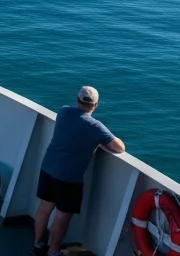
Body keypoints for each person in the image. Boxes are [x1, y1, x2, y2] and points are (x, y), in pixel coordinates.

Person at [32, 86, 126, 256]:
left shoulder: (64, 112)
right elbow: (119, 148)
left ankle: (38, 245)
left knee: (44, 208)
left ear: (77, 100)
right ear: (95, 105)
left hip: (48, 168)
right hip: (68, 178)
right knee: (62, 217)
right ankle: (53, 252)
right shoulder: (95, 126)